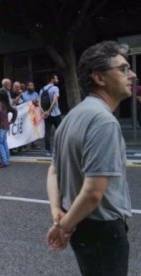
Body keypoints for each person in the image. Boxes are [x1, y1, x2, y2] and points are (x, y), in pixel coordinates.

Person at [46, 41, 136, 276]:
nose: (133, 75)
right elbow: (94, 191)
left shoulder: (71, 117)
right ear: (99, 78)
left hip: (81, 226)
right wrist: (62, 228)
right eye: (123, 69)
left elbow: (53, 170)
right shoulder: (103, 121)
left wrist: (58, 212)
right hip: (103, 231)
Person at [0, 90, 17, 168]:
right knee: (4, 143)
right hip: (5, 126)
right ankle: (6, 159)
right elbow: (14, 111)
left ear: (0, 96)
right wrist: (12, 121)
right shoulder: (5, 104)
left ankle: (4, 161)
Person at [39, 73, 62, 156]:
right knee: (60, 131)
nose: (57, 80)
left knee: (47, 132)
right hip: (56, 114)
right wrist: (49, 111)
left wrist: (44, 112)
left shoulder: (42, 89)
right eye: (56, 78)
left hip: (46, 115)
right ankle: (60, 149)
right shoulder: (55, 88)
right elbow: (55, 101)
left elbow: (39, 102)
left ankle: (48, 151)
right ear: (52, 79)